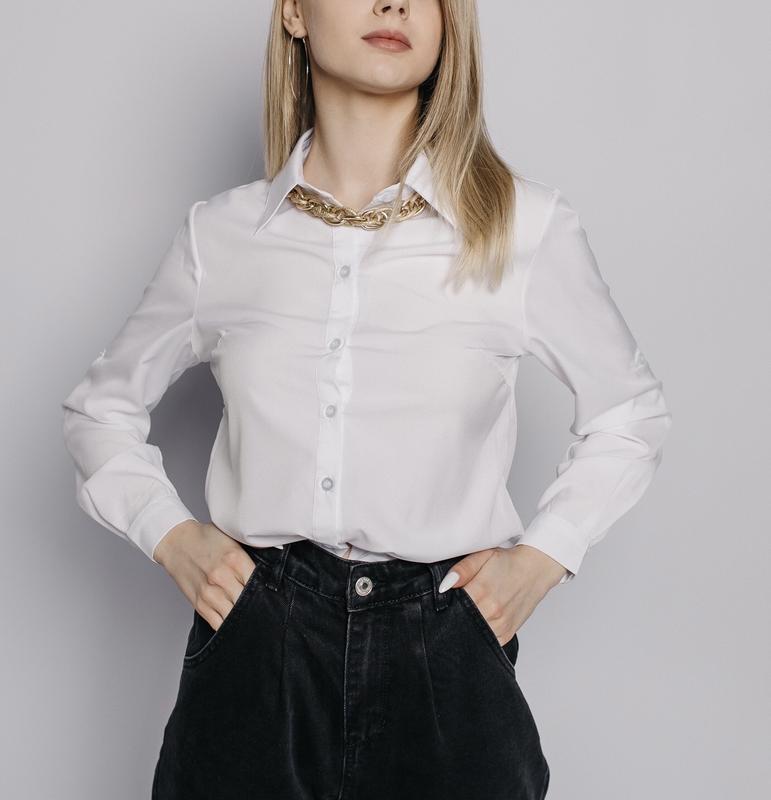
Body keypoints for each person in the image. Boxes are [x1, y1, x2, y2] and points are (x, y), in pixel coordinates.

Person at [61, 1, 672, 798]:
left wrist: (540, 559)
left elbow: (629, 414)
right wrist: (173, 539)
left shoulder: (523, 227)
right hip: (256, 642)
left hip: (445, 647)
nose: (393, 3)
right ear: (293, 13)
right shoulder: (223, 236)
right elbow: (98, 412)